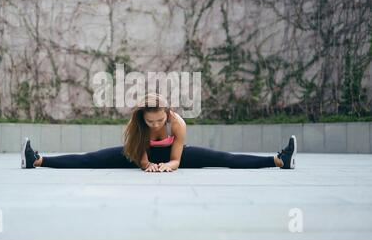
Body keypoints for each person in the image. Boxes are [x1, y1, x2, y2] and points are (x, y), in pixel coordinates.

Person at [21, 93, 296, 171]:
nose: (155, 125)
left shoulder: (177, 123)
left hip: (171, 155)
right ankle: (36, 160)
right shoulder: (138, 126)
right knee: (89, 159)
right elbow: (139, 151)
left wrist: (170, 165)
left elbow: (176, 157)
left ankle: (279, 160)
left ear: (167, 115)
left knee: (224, 158)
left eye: (159, 121)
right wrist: (146, 164)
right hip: (137, 155)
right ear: (143, 118)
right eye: (149, 122)